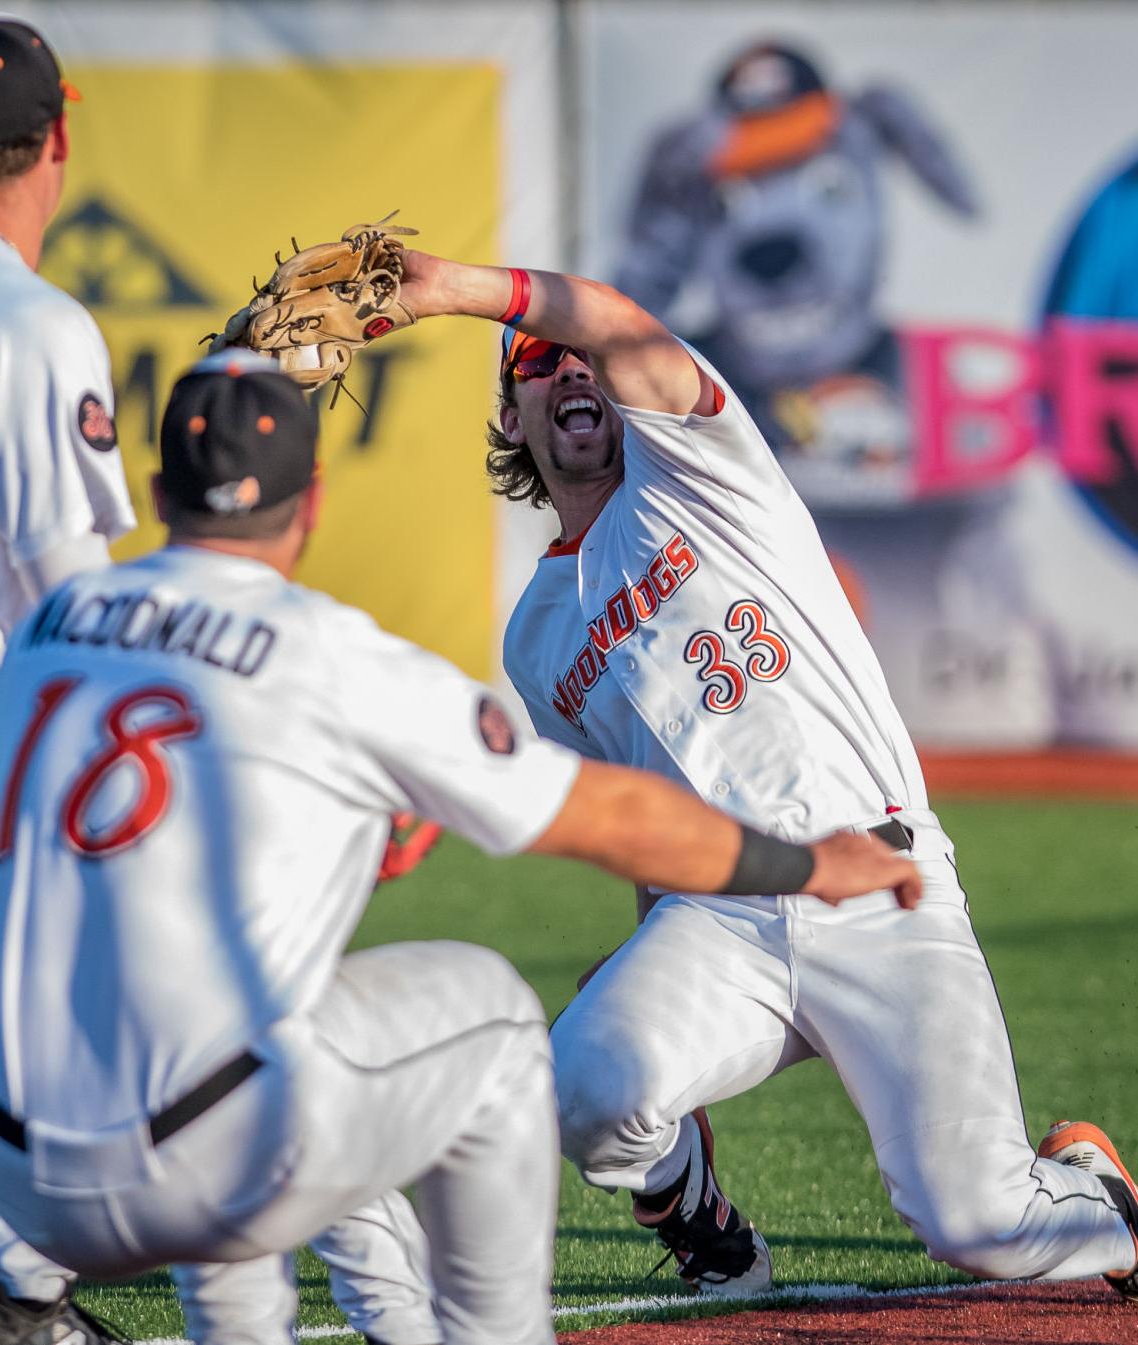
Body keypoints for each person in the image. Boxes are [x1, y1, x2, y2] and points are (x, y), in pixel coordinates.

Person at [0, 351, 919, 1345]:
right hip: (214, 1141)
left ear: (156, 493)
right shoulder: (330, 651)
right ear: (312, 502)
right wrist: (805, 865)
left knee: (261, 1032)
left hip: (14, 1163)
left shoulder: (61, 618)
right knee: (484, 1016)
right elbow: (599, 814)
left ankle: (49, 1312)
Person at [0, 17, 439, 1345]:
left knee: (121, 1022)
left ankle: (22, 1298)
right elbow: (78, 612)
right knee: (263, 1016)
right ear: (63, 137)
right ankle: (406, 1326)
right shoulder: (27, 323)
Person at [386, 249, 1138, 1300]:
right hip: (722, 917)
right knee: (587, 1089)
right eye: (540, 364)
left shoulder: (700, 465)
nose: (573, 374)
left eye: (584, 358)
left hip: (882, 887)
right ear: (510, 418)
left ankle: (1097, 1197)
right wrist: (647, 941)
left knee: (976, 1222)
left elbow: (619, 324)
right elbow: (643, 808)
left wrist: (462, 291)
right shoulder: (536, 639)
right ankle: (708, 1232)